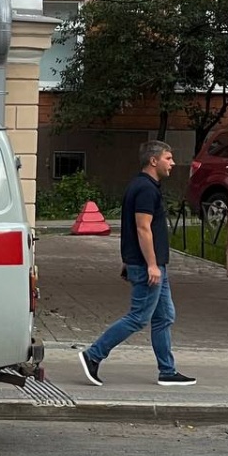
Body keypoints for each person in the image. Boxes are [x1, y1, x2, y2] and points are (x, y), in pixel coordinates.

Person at [78, 140, 197, 387]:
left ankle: (167, 370)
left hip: (149, 264)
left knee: (164, 316)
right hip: (149, 267)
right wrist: (151, 265)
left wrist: (129, 260)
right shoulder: (145, 189)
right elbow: (143, 229)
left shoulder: (142, 185)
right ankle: (93, 355)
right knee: (139, 317)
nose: (172, 163)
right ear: (153, 161)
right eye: (168, 158)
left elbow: (131, 229)